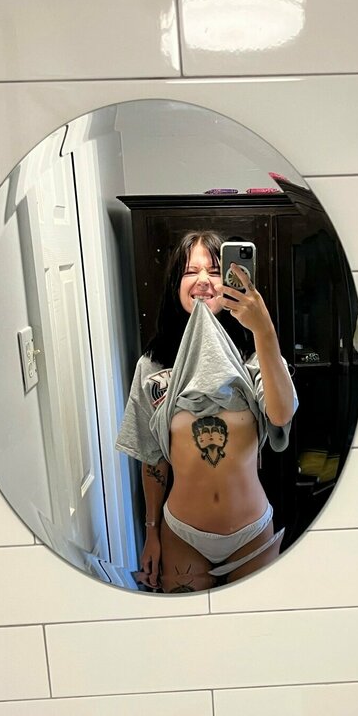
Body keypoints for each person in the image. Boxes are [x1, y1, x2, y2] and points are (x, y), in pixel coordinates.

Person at [116, 231, 298, 593]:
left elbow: (281, 414)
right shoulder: (153, 366)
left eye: (215, 271)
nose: (203, 280)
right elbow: (152, 458)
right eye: (190, 271)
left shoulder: (254, 355)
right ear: (176, 285)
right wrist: (151, 533)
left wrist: (264, 330)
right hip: (182, 536)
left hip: (251, 536)